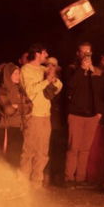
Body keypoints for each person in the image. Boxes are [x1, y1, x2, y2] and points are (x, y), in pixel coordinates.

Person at [20, 44, 62, 187]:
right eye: (45, 52)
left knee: (43, 151)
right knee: (29, 150)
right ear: (37, 53)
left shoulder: (44, 69)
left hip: (45, 114)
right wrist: (46, 81)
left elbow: (60, 86)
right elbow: (30, 91)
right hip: (33, 114)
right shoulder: (26, 70)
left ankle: (37, 182)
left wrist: (53, 78)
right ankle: (23, 181)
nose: (47, 55)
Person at [64, 49, 104, 187]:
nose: (87, 57)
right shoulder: (73, 70)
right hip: (76, 114)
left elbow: (101, 92)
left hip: (92, 116)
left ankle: (80, 179)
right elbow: (71, 85)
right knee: (73, 147)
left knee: (85, 149)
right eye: (84, 55)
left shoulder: (97, 73)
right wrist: (82, 69)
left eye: (89, 55)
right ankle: (69, 178)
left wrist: (99, 112)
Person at [0, 63, 32, 169]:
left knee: (16, 158)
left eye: (19, 73)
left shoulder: (20, 90)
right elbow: (8, 110)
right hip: (6, 128)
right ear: (8, 75)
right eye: (15, 73)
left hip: (18, 127)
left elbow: (30, 106)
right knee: (5, 158)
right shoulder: (2, 90)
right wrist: (21, 107)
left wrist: (17, 106)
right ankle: (3, 183)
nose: (18, 76)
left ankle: (13, 183)